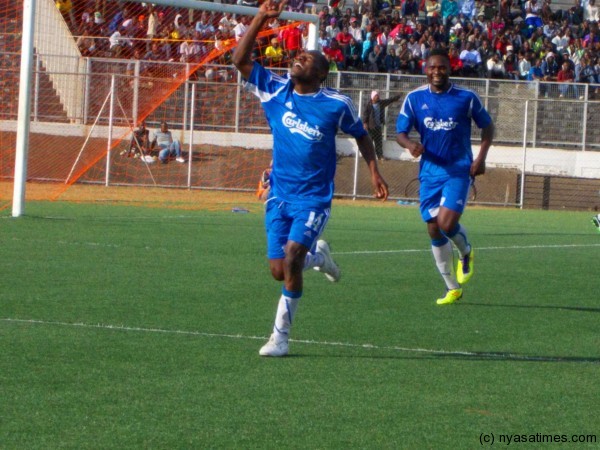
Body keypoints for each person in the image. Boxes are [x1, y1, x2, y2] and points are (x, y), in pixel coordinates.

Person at [232, 0, 389, 356]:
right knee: (279, 269)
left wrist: (374, 170)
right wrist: (260, 17)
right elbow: (240, 61)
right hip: (279, 195)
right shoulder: (275, 89)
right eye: (298, 55)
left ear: (321, 73)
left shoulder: (336, 104)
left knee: (290, 258)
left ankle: (280, 338)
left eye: (307, 58)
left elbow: (361, 134)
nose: (298, 58)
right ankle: (320, 258)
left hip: (314, 198)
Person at [395, 48, 494, 305]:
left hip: (458, 169)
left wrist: (480, 158)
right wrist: (409, 146)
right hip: (429, 172)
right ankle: (452, 288)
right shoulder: (414, 99)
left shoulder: (466, 97)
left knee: (446, 224)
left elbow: (488, 126)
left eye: (442, 67)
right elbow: (400, 133)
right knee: (433, 229)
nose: (437, 71)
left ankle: (466, 252)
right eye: (432, 67)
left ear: (450, 69)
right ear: (425, 70)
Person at [362, 90, 402, 161]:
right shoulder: (368, 105)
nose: (377, 96)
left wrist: (397, 97)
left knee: (379, 143)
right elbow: (365, 115)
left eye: (378, 95)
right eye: (376, 95)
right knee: (369, 142)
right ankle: (369, 157)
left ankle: (380, 156)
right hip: (370, 128)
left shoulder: (381, 103)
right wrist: (365, 123)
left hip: (378, 127)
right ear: (372, 97)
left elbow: (389, 100)